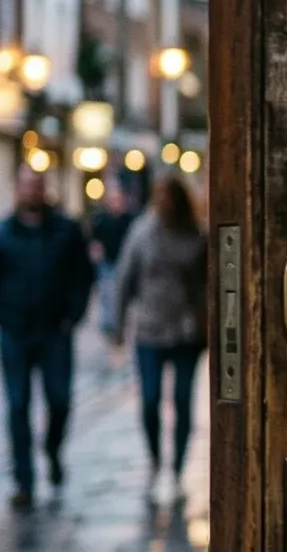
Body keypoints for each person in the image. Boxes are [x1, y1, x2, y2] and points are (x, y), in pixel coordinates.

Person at [0, 165, 94, 510]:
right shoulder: (5, 233)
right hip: (15, 333)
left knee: (59, 401)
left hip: (55, 332)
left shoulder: (66, 231)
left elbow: (84, 275)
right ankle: (24, 481)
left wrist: (74, 315)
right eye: (26, 185)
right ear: (18, 189)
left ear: (44, 189)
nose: (32, 192)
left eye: (37, 186)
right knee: (18, 406)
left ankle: (53, 450)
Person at [114, 174, 207, 498]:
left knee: (182, 400)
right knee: (150, 399)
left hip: (186, 333)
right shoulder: (142, 232)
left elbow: (208, 283)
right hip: (149, 330)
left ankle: (178, 468)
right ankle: (156, 459)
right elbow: (124, 278)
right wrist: (117, 325)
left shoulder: (197, 235)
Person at [88, 183, 136, 340]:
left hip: (123, 262)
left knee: (119, 291)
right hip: (107, 261)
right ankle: (109, 322)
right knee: (107, 292)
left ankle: (118, 321)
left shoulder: (129, 220)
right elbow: (94, 238)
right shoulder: (102, 219)